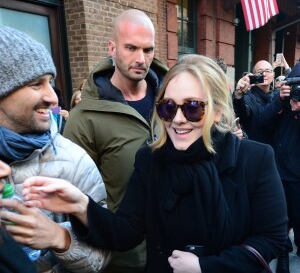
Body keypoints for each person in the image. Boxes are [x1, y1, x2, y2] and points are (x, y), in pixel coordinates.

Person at [24, 55, 288, 273]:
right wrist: (80, 205)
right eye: (168, 107)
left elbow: (272, 239)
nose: (178, 119)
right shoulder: (151, 160)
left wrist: (205, 267)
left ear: (217, 111)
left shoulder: (254, 159)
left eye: (193, 107)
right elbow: (127, 231)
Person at [63, 9, 168, 273]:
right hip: (123, 258)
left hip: (176, 249)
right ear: (112, 47)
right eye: (131, 48)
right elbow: (77, 199)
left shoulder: (173, 98)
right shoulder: (84, 117)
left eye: (148, 50)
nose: (140, 59)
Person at [0, 26, 110, 272]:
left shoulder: (73, 160)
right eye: (36, 84)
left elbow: (101, 259)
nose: (53, 98)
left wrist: (60, 239)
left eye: (50, 82)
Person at [272, 62, 300, 273]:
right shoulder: (280, 100)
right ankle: (282, 257)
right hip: (279, 171)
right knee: (280, 219)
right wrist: (280, 101)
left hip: (297, 174)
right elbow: (262, 120)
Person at [233, 60, 283, 144]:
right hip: (256, 147)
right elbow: (242, 112)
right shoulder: (248, 96)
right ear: (253, 76)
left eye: (267, 71)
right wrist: (238, 95)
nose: (264, 74)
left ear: (273, 75)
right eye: (260, 72)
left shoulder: (278, 95)